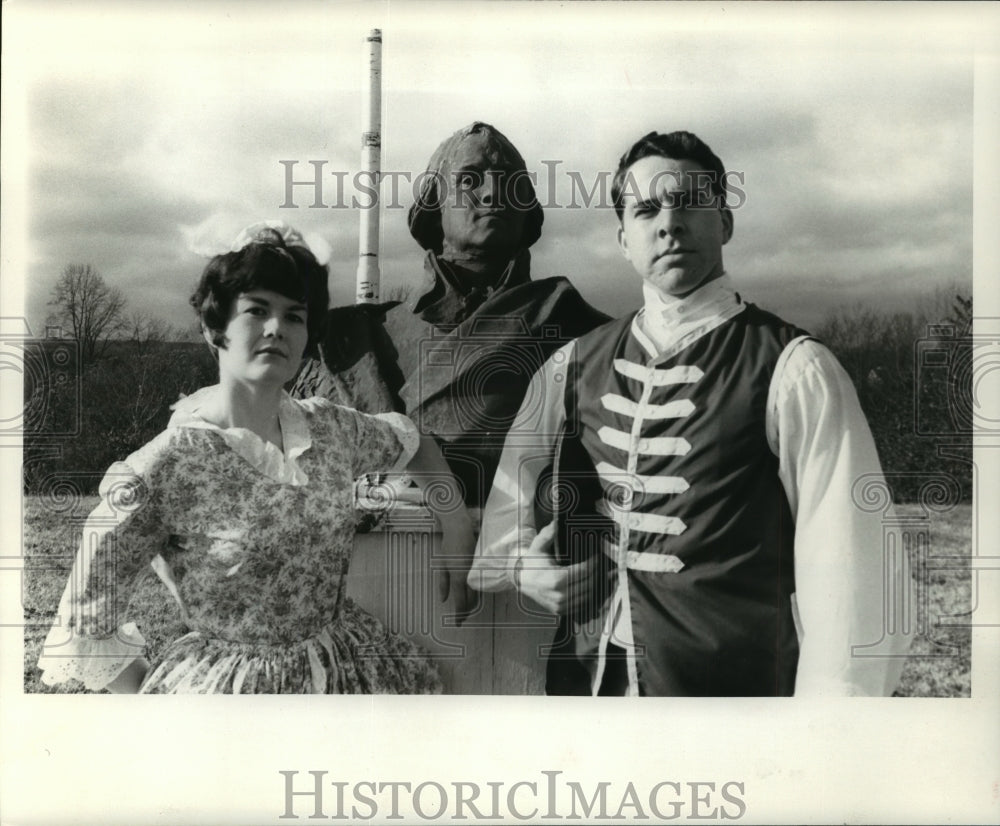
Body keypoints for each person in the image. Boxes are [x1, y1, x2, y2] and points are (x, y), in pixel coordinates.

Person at [470, 131, 915, 697]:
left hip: (735, 692)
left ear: (724, 222)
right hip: (590, 682)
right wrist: (519, 568)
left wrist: (831, 721)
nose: (669, 222)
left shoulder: (796, 367)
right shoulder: (572, 364)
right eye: (647, 209)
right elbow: (511, 490)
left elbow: (851, 560)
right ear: (623, 238)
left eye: (689, 202)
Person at [37, 221, 474, 694]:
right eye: (257, 310)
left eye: (294, 316)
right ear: (214, 327)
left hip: (346, 671)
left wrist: (456, 525)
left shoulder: (332, 428)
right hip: (232, 698)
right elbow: (83, 620)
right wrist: (161, 698)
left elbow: (416, 444)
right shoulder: (168, 464)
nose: (276, 329)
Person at [293, 122, 609, 508]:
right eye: (470, 179)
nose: (493, 192)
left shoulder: (584, 330)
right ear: (435, 203)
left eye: (511, 183)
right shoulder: (347, 340)